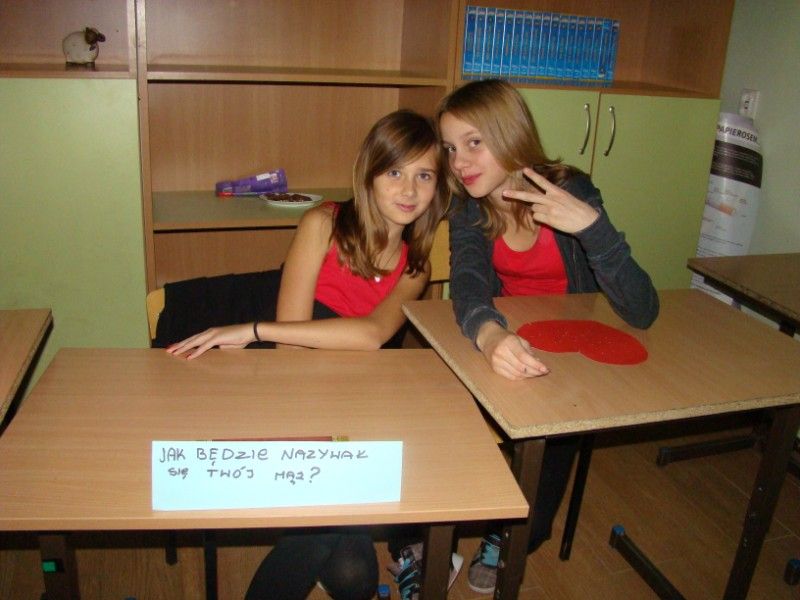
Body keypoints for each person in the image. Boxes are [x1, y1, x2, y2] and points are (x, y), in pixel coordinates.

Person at [167, 109, 450, 600]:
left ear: (437, 187)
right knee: (351, 572)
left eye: (424, 176)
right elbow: (289, 346)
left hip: (356, 402)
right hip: (289, 392)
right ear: (368, 174)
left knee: (352, 575)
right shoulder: (322, 223)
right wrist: (266, 338)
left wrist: (252, 329)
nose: (409, 190)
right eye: (394, 172)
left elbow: (373, 336)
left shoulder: (415, 267)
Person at [437, 79, 659, 594]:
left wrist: (594, 229)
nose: (460, 162)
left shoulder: (570, 190)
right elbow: (468, 281)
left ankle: (505, 533)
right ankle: (436, 536)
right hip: (508, 334)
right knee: (450, 430)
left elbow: (643, 311)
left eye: (474, 142)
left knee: (533, 513)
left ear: (509, 134)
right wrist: (490, 334)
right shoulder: (468, 206)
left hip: (572, 354)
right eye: (450, 148)